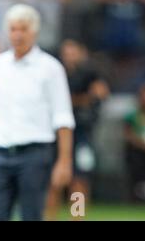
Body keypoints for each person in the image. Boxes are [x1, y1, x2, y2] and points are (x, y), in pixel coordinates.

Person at [0, 4, 75, 221]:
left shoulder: (50, 68)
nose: (18, 34)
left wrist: (64, 160)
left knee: (32, 216)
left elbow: (62, 117)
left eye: (23, 29)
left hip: (35, 155)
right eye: (13, 29)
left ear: (34, 32)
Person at [45, 39, 110, 220]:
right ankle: (50, 217)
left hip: (82, 133)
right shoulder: (55, 74)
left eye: (74, 51)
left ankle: (77, 217)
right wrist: (83, 99)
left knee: (79, 179)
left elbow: (101, 93)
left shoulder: (91, 72)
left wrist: (80, 99)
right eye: (67, 51)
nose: (70, 55)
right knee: (53, 179)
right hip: (56, 134)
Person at [124, 82, 145, 202]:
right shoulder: (133, 115)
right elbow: (128, 134)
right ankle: (137, 196)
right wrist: (143, 144)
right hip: (139, 151)